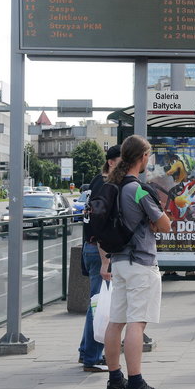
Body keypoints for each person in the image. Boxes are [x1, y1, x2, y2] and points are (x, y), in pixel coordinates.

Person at [102, 135, 173, 389]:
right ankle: (135, 384)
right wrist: (154, 222)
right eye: (148, 155)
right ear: (142, 157)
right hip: (140, 263)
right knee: (136, 323)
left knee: (116, 321)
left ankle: (114, 379)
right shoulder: (139, 189)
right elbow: (165, 224)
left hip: (118, 262)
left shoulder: (113, 186)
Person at [78, 144, 121, 372]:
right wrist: (106, 259)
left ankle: (86, 350)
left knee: (97, 302)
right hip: (99, 250)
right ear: (112, 162)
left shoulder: (97, 181)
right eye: (121, 161)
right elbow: (100, 224)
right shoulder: (106, 185)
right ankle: (92, 357)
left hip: (91, 248)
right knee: (99, 305)